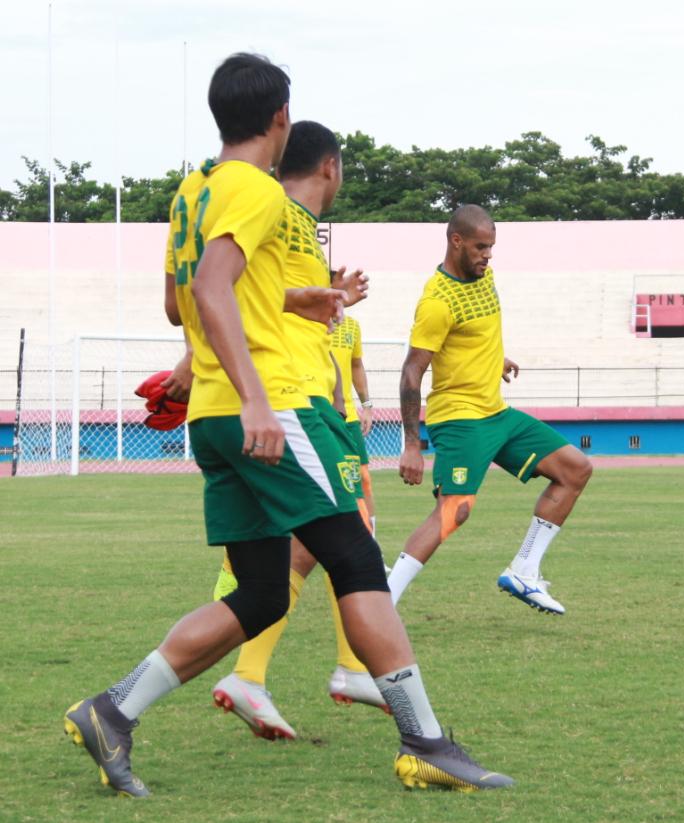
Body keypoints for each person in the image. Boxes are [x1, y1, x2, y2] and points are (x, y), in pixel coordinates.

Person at [62, 53, 512, 797]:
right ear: (280, 119)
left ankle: (112, 711)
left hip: (212, 415)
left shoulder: (193, 191)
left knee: (264, 593)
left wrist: (297, 298)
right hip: (271, 406)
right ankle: (425, 740)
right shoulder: (257, 188)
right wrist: (257, 399)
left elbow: (184, 304)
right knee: (358, 560)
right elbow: (211, 287)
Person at [208, 121, 388, 741]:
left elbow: (266, 297)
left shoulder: (298, 226)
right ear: (331, 167)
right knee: (347, 533)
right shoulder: (273, 210)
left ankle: (260, 675)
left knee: (316, 544)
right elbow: (228, 289)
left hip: (313, 396)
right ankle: (352, 671)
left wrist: (327, 299)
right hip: (291, 401)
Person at [389, 204, 593, 614]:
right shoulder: (436, 301)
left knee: (575, 469)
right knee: (455, 510)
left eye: (492, 248)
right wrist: (411, 444)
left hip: (495, 413)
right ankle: (383, 599)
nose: (488, 256)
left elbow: (476, 332)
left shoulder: (485, 276)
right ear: (456, 241)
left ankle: (524, 570)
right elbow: (412, 371)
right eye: (481, 247)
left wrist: (494, 359)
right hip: (460, 417)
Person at [330, 311, 378, 534]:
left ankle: (371, 545)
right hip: (318, 414)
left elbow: (356, 365)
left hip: (348, 416)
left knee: (363, 479)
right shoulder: (305, 322)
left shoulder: (351, 325)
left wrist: (366, 406)